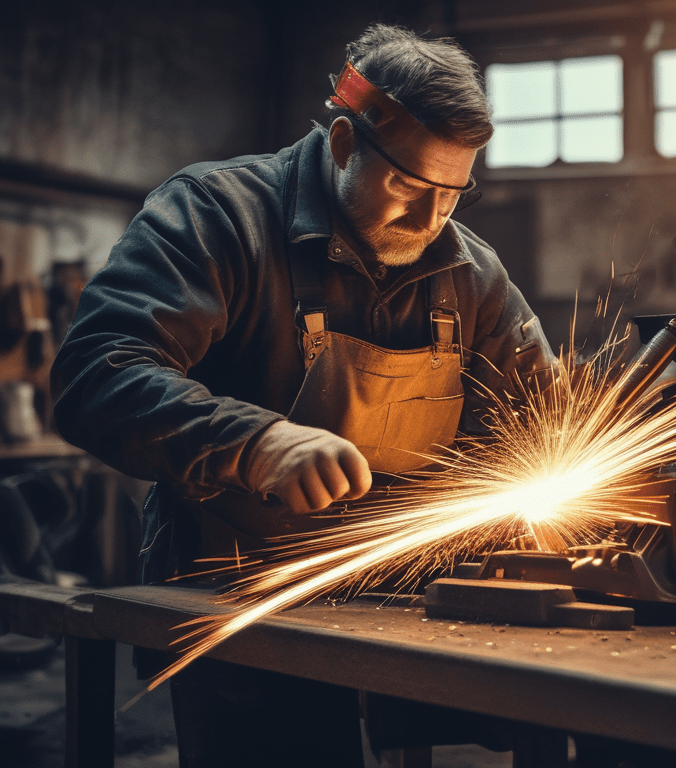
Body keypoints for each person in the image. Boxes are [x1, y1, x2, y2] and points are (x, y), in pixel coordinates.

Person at [49, 23, 556, 767]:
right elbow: (96, 371)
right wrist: (253, 444)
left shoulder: (471, 272)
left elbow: (544, 421)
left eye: (453, 194)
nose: (431, 221)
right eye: (411, 187)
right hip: (240, 600)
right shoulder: (218, 215)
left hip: (407, 608)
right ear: (345, 142)